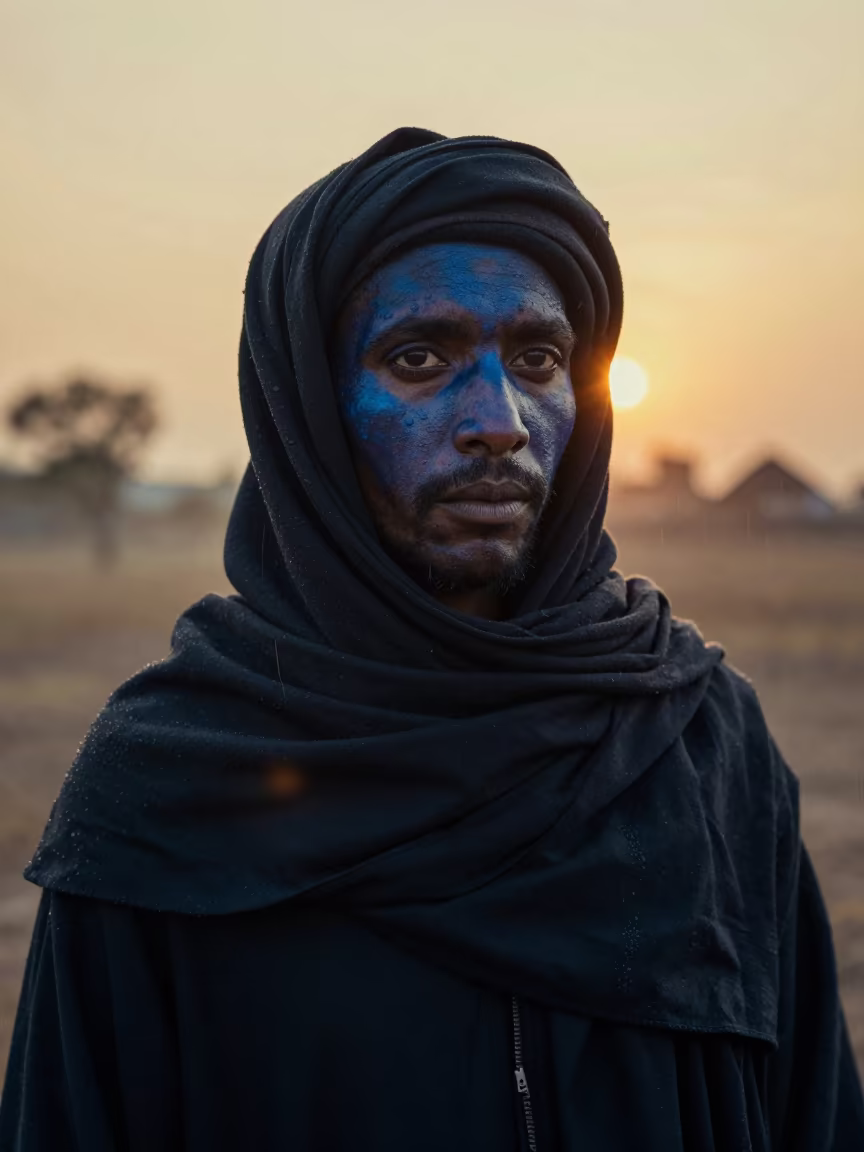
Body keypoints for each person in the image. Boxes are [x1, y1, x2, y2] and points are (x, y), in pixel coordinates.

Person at [1, 128, 862, 1152]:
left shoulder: (703, 742)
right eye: (419, 357)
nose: (496, 420)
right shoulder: (168, 784)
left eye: (540, 359)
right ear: (307, 408)